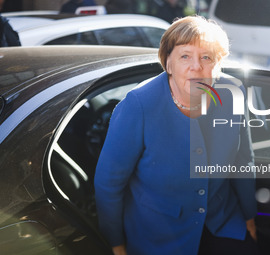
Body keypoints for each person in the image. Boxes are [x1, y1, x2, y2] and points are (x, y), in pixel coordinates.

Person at [95, 16, 258, 255]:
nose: (196, 66)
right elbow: (109, 183)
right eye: (185, 56)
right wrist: (116, 244)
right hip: (159, 237)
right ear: (168, 64)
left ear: (219, 64)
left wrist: (249, 217)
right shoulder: (139, 105)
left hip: (223, 224)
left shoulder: (233, 94)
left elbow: (244, 160)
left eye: (207, 57)